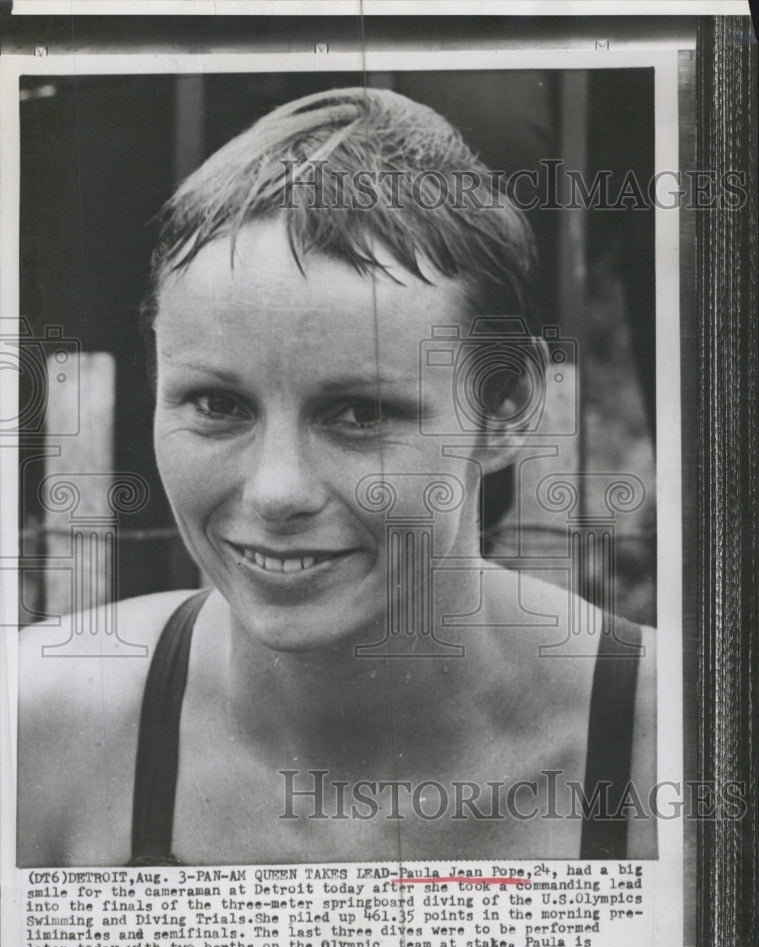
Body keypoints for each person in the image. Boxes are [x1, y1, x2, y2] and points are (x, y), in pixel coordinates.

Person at [18, 87, 656, 866]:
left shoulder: (680, 744)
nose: (276, 491)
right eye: (217, 404)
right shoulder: (37, 731)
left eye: (359, 414)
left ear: (507, 404)